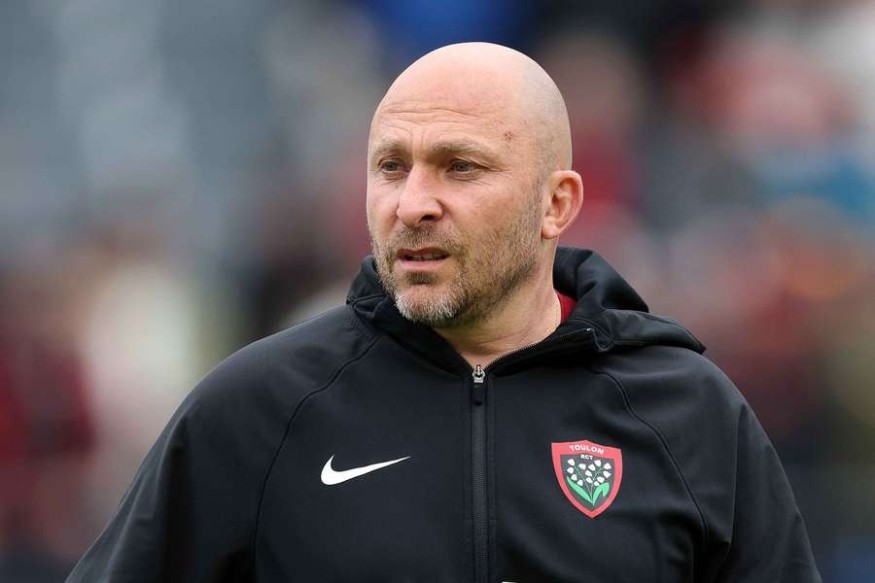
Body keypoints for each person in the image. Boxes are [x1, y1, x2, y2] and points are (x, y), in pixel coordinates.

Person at [67, 42, 820, 582]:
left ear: (556, 203)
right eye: (391, 166)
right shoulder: (255, 409)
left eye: (460, 167)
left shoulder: (687, 413)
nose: (412, 203)